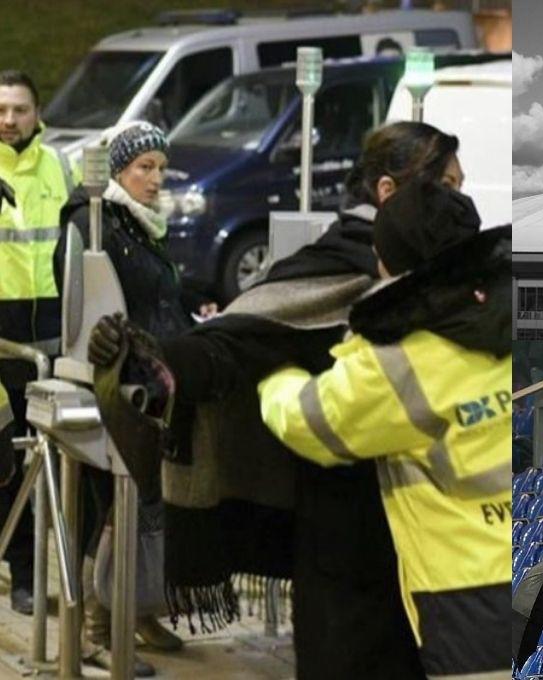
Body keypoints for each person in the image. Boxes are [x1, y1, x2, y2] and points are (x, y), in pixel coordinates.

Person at [89, 121, 467, 679]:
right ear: (389, 191)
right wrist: (148, 362)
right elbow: (238, 342)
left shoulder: (458, 280)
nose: (459, 200)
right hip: (348, 536)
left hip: (436, 542)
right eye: (449, 186)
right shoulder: (331, 267)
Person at [258, 179, 510, 679]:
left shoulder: (398, 362)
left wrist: (275, 372)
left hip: (466, 596)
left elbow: (310, 422)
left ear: (388, 262)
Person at [56, 120, 203, 675]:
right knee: (113, 511)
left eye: (161, 168)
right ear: (116, 171)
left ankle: (138, 610)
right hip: (116, 387)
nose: (155, 179)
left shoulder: (143, 227)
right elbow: (87, 308)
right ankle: (97, 625)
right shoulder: (92, 223)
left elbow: (162, 301)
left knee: (152, 508)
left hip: (156, 382)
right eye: (144, 168)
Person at [0, 70, 76, 616]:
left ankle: (26, 573)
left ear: (37, 111)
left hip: (49, 331)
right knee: (4, 456)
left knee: (36, 459)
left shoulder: (60, 166)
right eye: (0, 110)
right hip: (0, 331)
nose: (8, 120)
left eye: (18, 110)